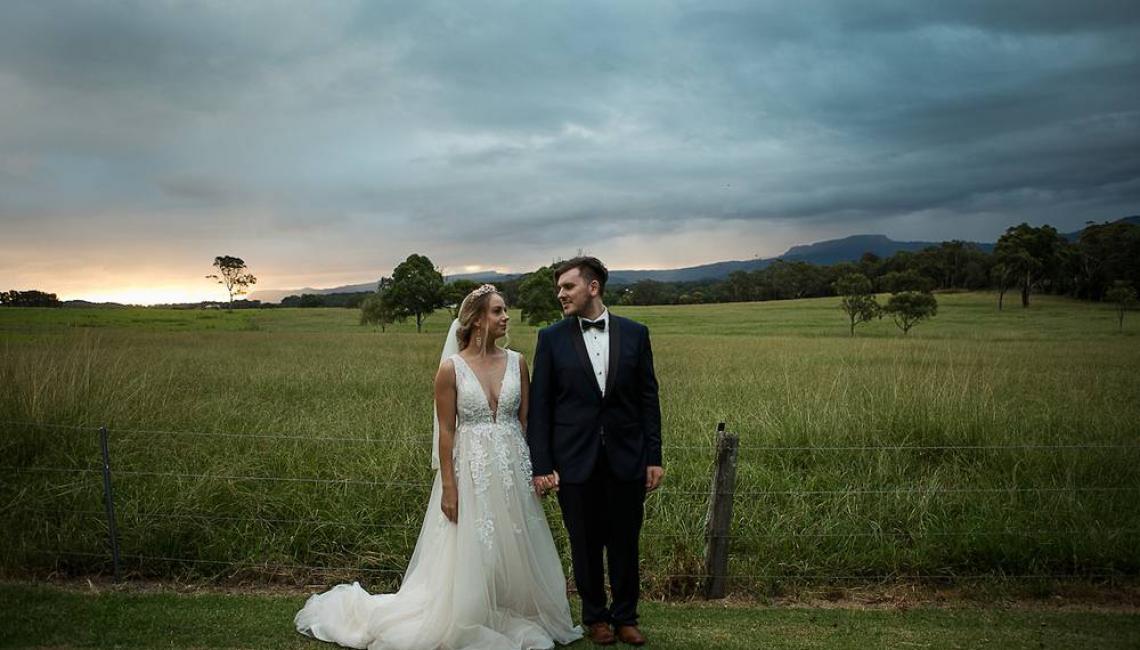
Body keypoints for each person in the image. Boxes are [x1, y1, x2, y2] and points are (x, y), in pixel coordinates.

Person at [295, 284, 581, 650]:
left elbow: (528, 422)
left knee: (516, 543)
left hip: (512, 468)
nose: (506, 316)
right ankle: (465, 613)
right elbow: (446, 431)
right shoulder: (451, 370)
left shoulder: (518, 361)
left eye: (504, 310)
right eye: (497, 311)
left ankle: (511, 606)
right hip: (470, 469)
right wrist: (449, 485)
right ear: (477, 321)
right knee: (473, 545)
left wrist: (538, 468)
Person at [527, 257, 663, 646]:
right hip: (574, 460)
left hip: (627, 457)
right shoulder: (550, 338)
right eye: (558, 289)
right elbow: (541, 407)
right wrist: (543, 464)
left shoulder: (636, 334)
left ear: (593, 287)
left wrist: (654, 456)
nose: (560, 295)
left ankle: (626, 617)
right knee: (584, 544)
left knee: (625, 540)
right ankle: (595, 618)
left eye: (567, 287)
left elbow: (648, 400)